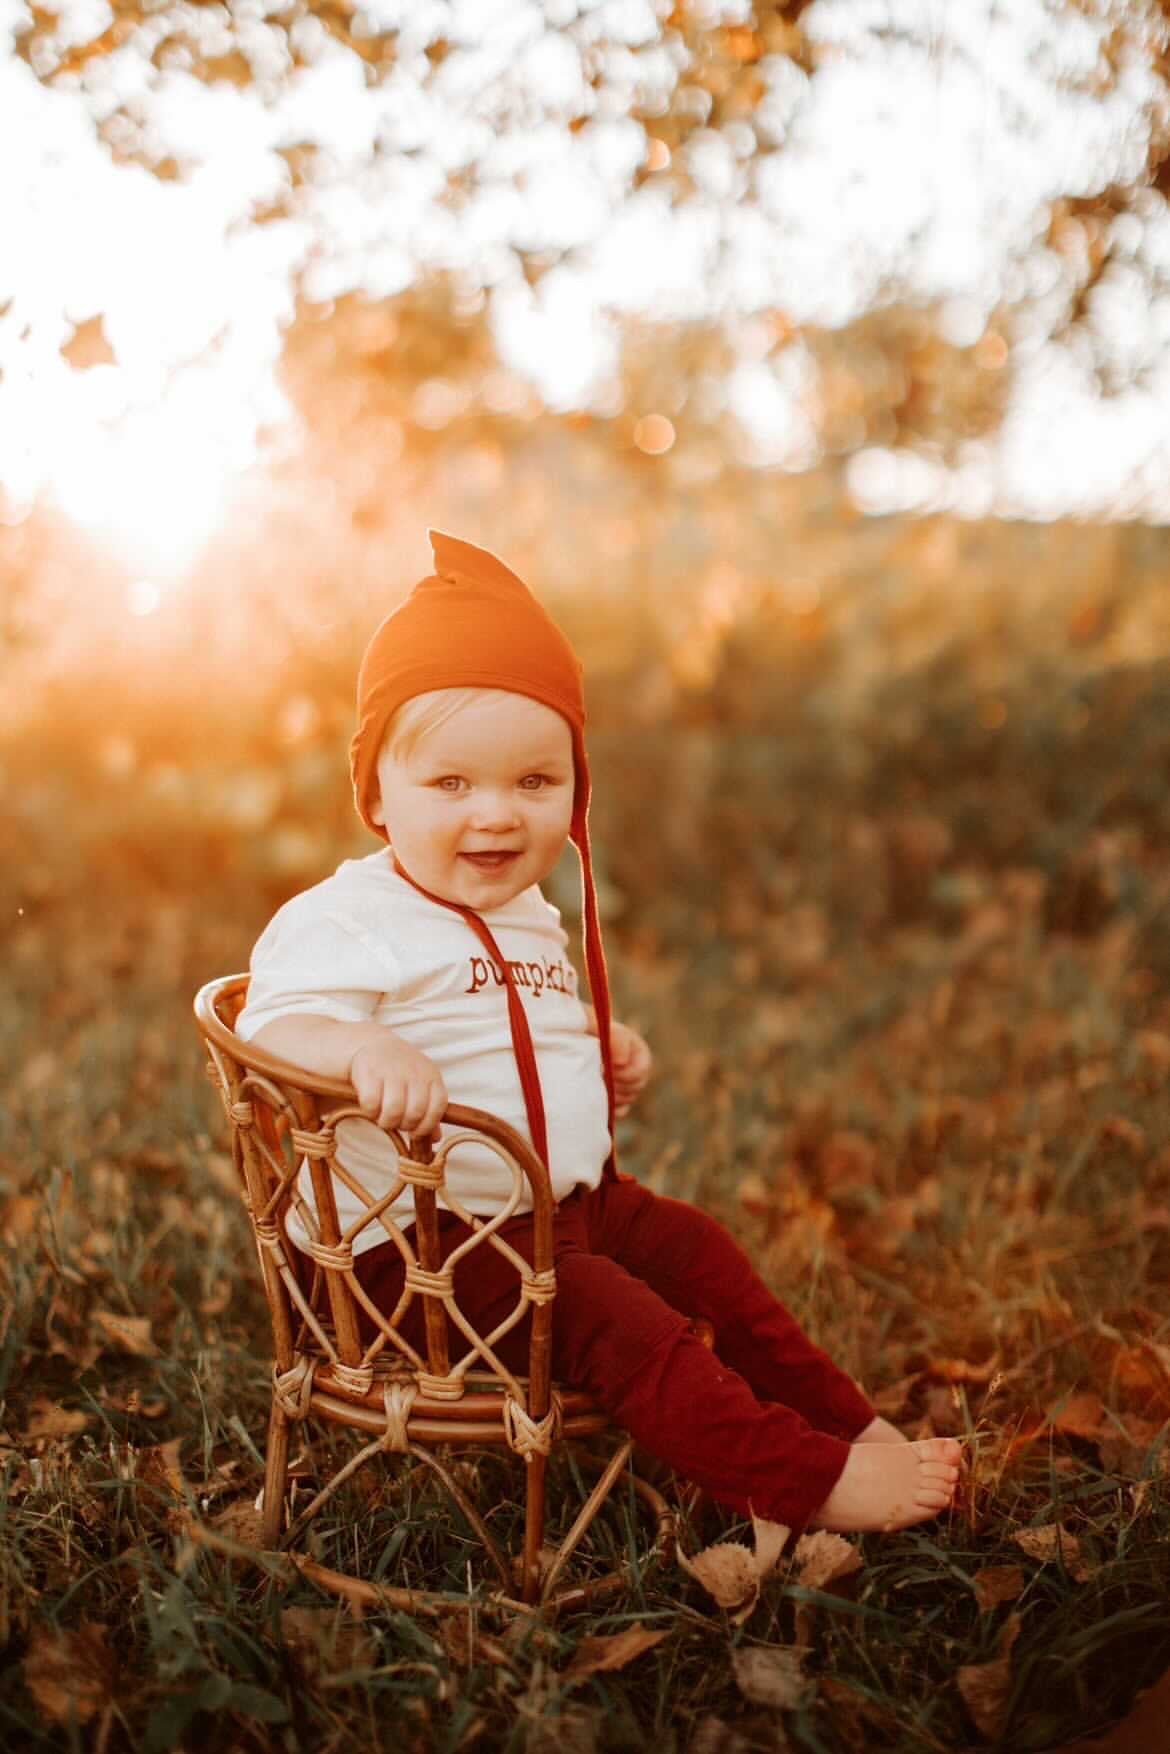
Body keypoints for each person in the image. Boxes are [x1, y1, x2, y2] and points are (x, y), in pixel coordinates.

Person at [236, 529, 962, 1536]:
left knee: (702, 1254)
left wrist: (592, 1050)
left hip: (558, 1206)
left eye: (534, 782)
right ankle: (802, 1479)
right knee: (616, 1318)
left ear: (574, 790)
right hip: (421, 1258)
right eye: (451, 784)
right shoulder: (349, 918)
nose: (496, 813)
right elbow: (273, 1023)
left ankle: (850, 1424)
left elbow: (509, 1022)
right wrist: (359, 1050)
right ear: (374, 795)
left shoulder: (531, 910)